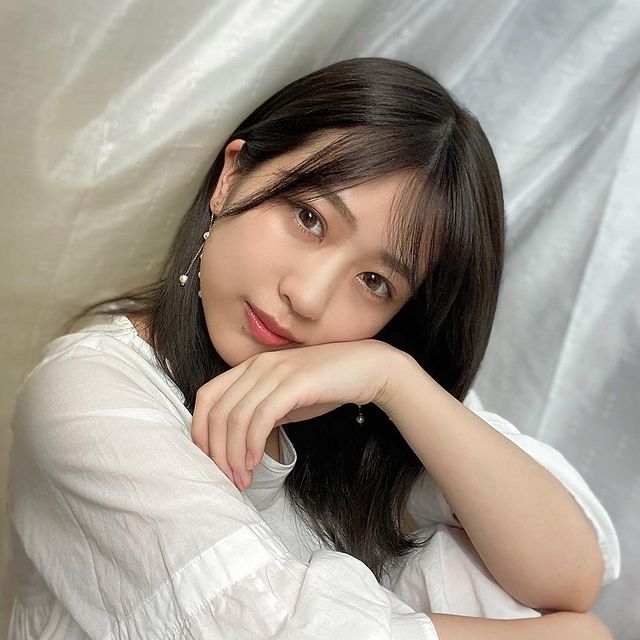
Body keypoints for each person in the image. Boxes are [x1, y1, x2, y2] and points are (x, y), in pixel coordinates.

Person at [8, 58, 619, 639]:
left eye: (375, 282)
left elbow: (566, 575)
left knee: (479, 565)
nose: (306, 296)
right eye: (309, 218)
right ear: (231, 178)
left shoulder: (355, 381)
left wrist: (395, 380)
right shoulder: (87, 394)